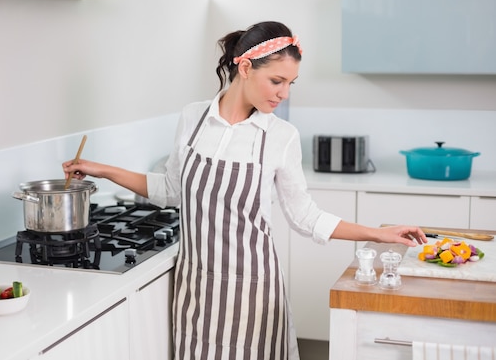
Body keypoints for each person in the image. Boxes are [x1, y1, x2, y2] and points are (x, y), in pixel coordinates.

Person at [62, 21, 427, 360]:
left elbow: (305, 216)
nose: (284, 93)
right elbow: (171, 189)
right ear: (246, 68)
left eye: (290, 83)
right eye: (277, 81)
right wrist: (102, 170)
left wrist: (378, 234)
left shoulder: (280, 136)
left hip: (254, 291)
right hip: (198, 288)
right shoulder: (193, 118)